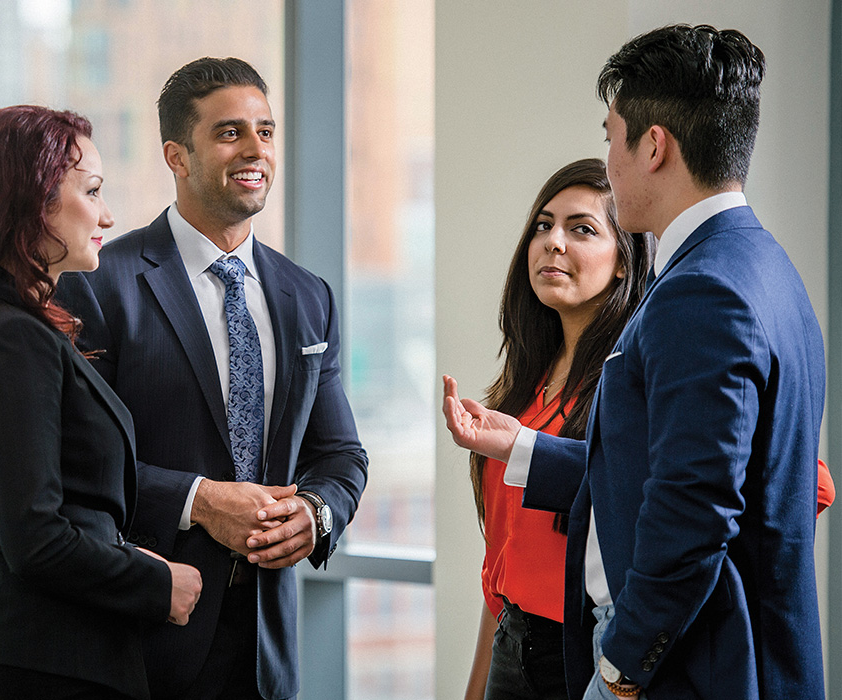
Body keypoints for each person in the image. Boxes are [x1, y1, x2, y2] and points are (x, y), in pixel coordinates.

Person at [443, 25, 826, 700]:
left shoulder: (700, 291)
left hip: (683, 664)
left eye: (609, 136)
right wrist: (520, 445)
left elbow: (695, 505)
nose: (608, 161)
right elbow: (650, 467)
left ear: (652, 146)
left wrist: (621, 666)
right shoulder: (763, 266)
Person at [56, 57, 368, 700]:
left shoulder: (307, 296)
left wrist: (316, 514)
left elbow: (340, 455)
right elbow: (75, 465)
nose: (256, 149)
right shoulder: (98, 285)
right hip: (141, 638)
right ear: (177, 155)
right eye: (230, 133)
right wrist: (200, 500)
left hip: (267, 650)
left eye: (266, 131)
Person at [0, 105, 202, 700]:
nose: (107, 214)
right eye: (91, 191)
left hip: (15, 660)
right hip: (43, 671)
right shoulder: (14, 339)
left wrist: (102, 547)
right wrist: (156, 582)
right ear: (34, 203)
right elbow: (35, 539)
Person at [458, 159, 653, 700]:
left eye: (582, 229)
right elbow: (501, 568)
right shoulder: (524, 390)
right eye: (543, 225)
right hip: (511, 646)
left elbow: (808, 483)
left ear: (623, 261)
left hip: (589, 658)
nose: (553, 242)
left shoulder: (637, 377)